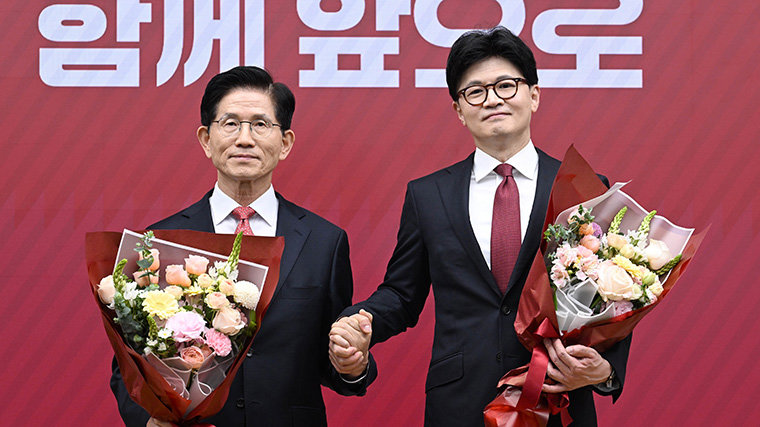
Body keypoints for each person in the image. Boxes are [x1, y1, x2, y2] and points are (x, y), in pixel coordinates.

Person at [328, 27, 631, 426]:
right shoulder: (428, 195)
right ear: (459, 109)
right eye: (475, 91)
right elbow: (402, 295)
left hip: (558, 397)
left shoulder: (582, 187)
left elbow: (616, 294)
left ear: (534, 95)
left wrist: (605, 370)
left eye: (506, 85)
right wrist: (361, 320)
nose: (492, 99)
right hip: (459, 404)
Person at [110, 66, 376, 427]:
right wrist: (150, 421)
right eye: (231, 123)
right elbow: (128, 366)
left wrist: (352, 363)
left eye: (261, 124)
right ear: (206, 139)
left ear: (285, 143)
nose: (245, 139)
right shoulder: (160, 241)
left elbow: (331, 358)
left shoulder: (324, 241)